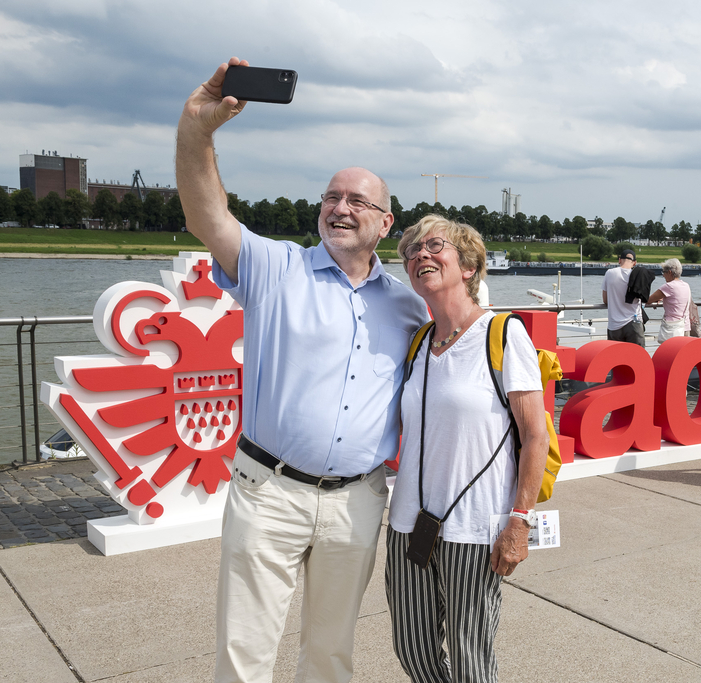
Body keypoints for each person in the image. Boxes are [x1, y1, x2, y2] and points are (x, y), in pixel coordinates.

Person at [176, 58, 429, 683]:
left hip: (358, 500)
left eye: (357, 200)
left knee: (330, 654)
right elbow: (206, 215)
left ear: (385, 223)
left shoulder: (408, 307)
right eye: (331, 197)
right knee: (245, 654)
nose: (340, 208)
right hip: (270, 491)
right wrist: (197, 131)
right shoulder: (276, 268)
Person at [387, 215, 547, 682]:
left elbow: (535, 436)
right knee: (413, 650)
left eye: (434, 246)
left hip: (474, 532)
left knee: (470, 660)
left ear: (470, 267)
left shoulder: (502, 333)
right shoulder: (419, 342)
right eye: (412, 251)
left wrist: (520, 521)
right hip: (408, 525)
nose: (420, 255)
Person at [602, 248, 645, 346]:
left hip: (614, 325)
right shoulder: (637, 275)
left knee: (616, 355)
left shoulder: (610, 273)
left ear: (619, 260)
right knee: (637, 354)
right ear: (634, 263)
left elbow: (605, 300)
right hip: (634, 322)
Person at [647, 258, 692, 342]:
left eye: (664, 272)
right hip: (685, 326)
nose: (663, 275)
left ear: (670, 272)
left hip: (673, 329)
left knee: (669, 350)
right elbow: (676, 298)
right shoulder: (686, 285)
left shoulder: (668, 286)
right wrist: (662, 297)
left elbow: (648, 300)